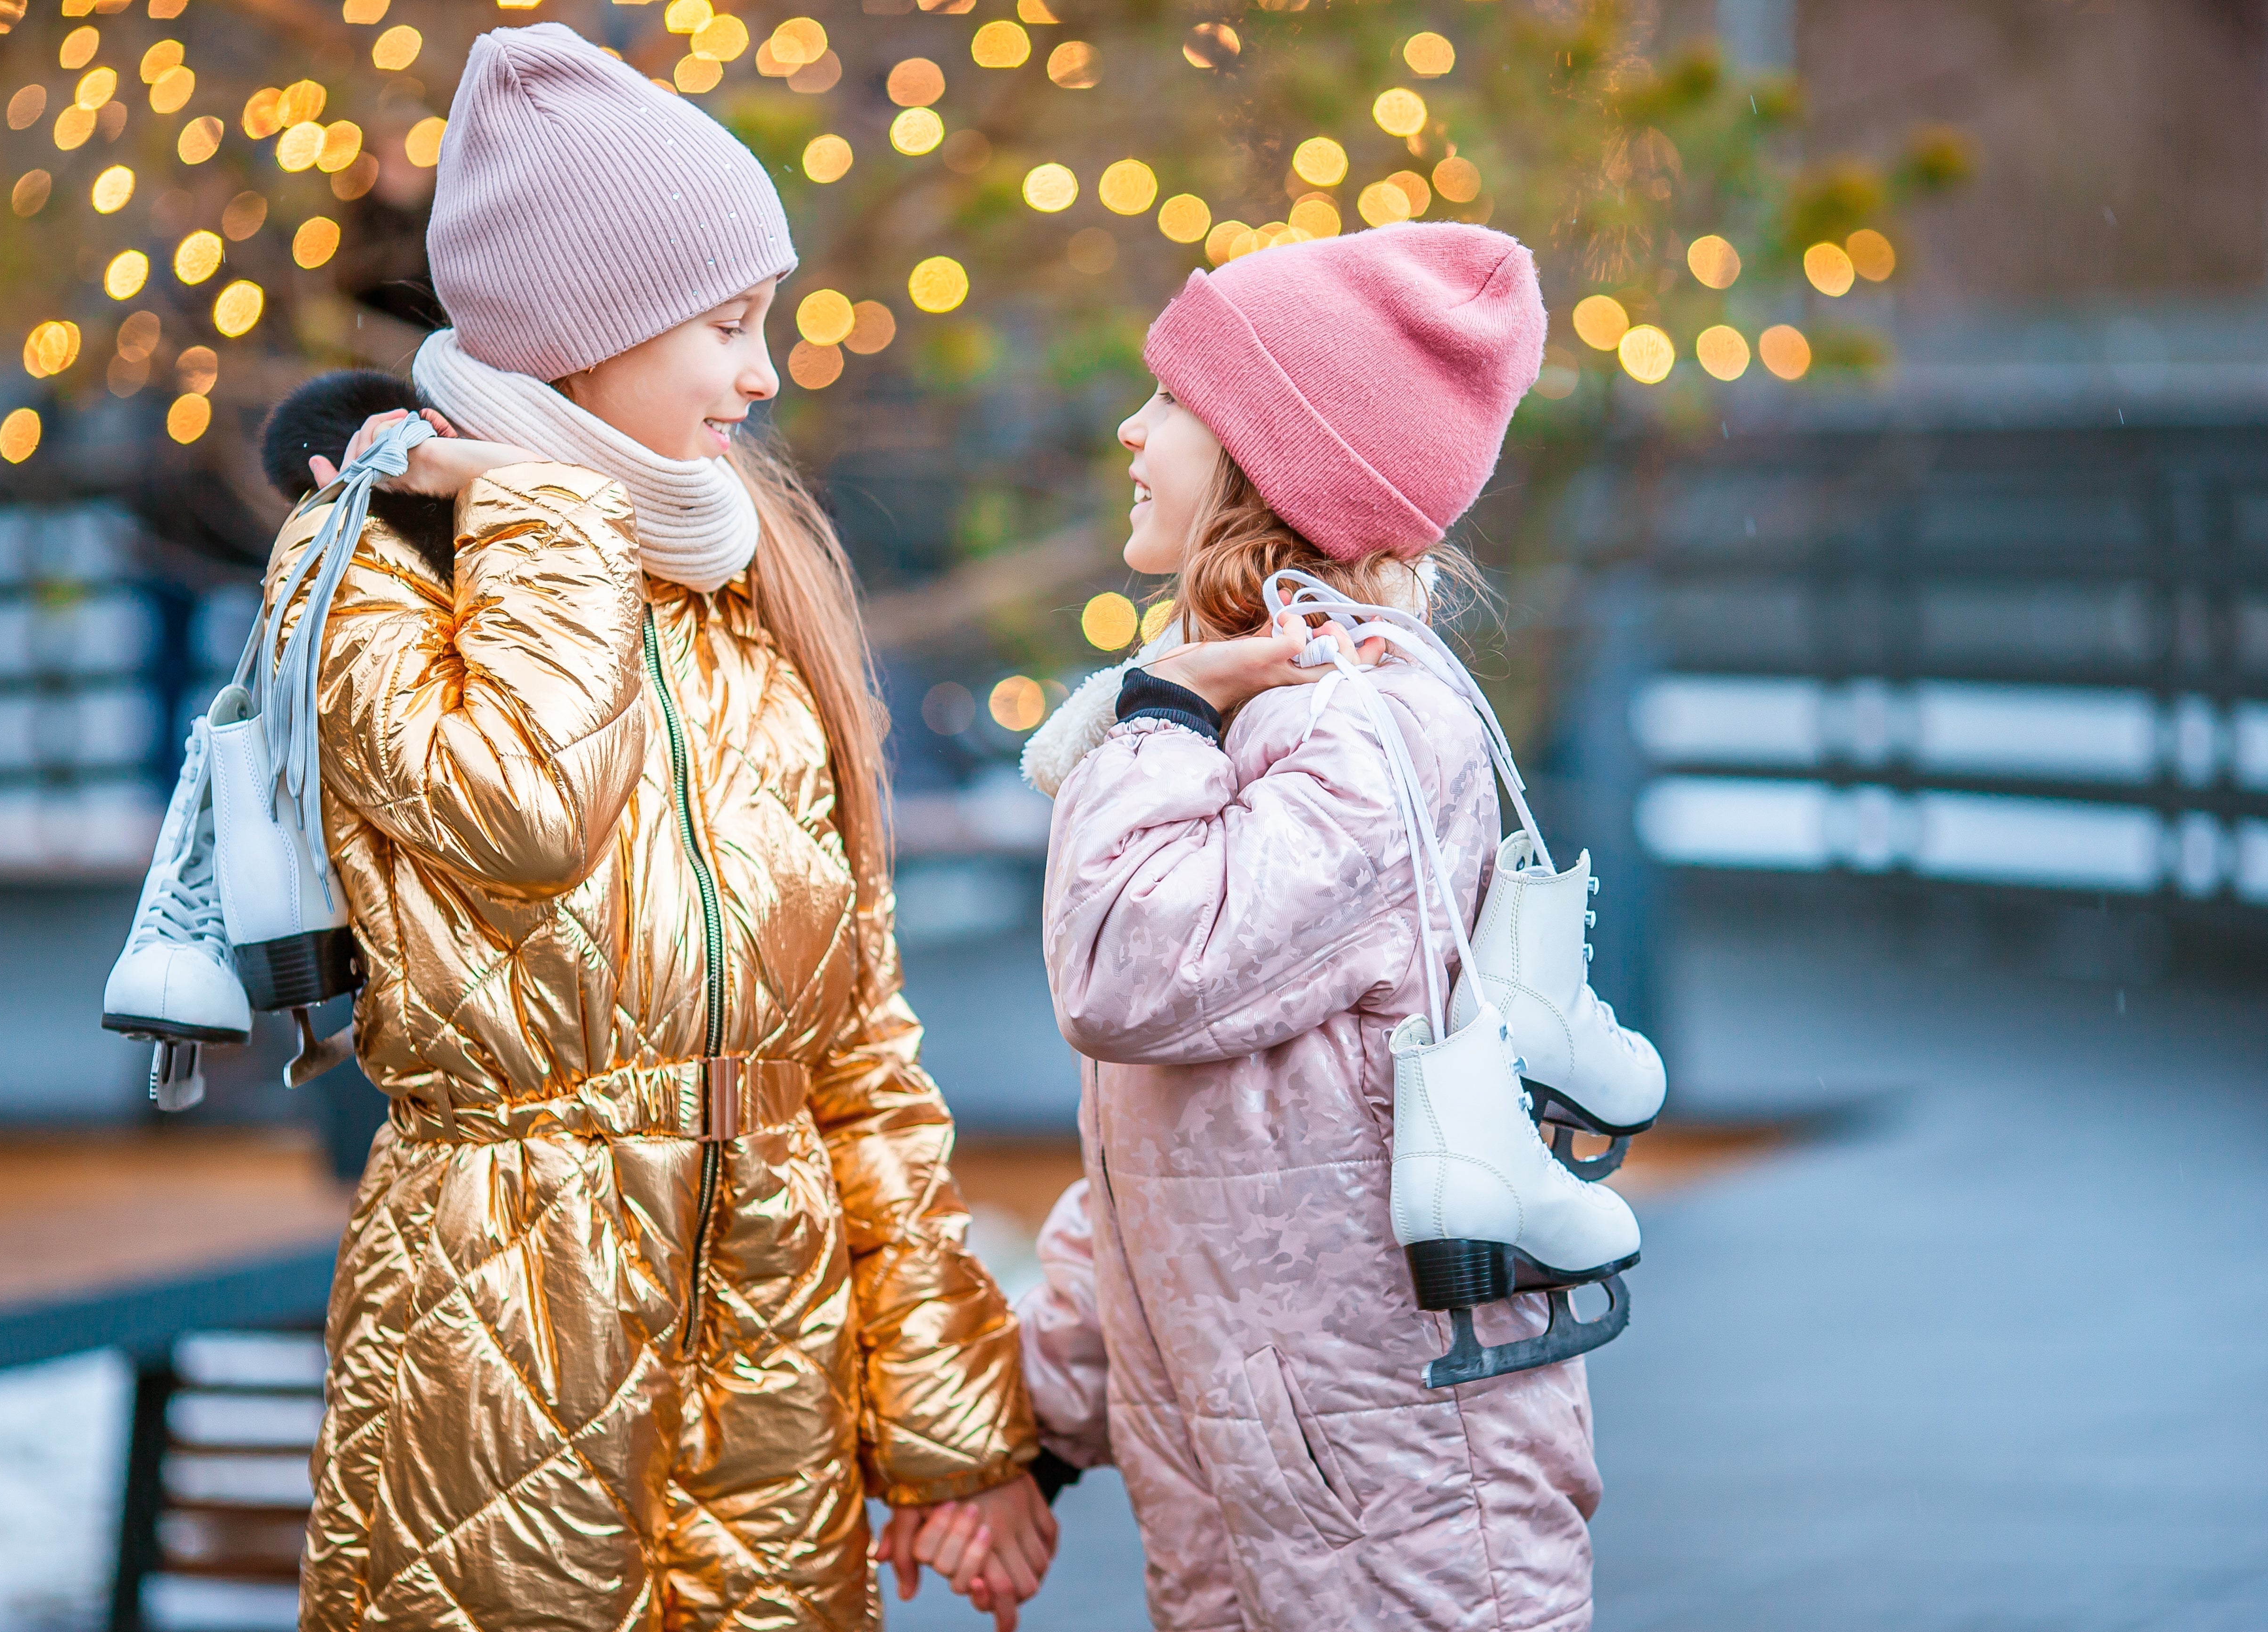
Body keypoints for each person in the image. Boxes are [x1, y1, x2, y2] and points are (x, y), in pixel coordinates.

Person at [260, 25, 1051, 1631]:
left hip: (769, 1348)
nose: (762, 375)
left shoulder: (753, 593)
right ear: (592, 327)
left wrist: (958, 1433)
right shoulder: (376, 569)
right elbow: (524, 811)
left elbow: (856, 1052)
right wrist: (542, 516)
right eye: (728, 325)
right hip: (507, 1329)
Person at [1012, 223, 1605, 1630]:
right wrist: (1040, 1420)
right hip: (1276, 1511)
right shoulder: (1258, 716)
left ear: (1265, 459)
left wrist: (1153, 711)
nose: (1130, 427)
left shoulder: (1367, 729)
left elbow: (1125, 975)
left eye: (1171, 401)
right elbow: (1187, 1152)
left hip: (1398, 1530)